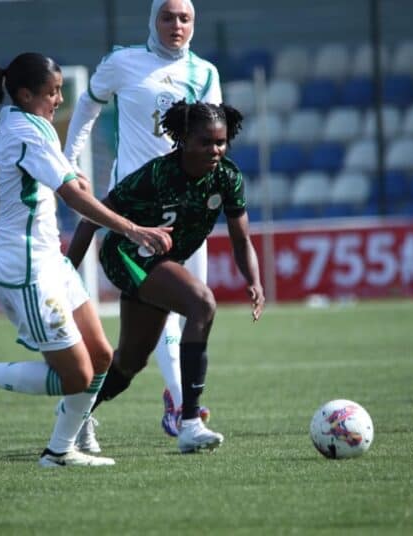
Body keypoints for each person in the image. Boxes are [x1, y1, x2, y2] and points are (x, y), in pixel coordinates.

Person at [0, 52, 173, 468]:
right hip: (26, 268)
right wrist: (131, 228)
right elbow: (69, 195)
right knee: (77, 376)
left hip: (51, 261)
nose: (60, 99)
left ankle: (60, 450)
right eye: (52, 92)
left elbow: (45, 172)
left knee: (102, 357)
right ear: (26, 95)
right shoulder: (27, 131)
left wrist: (68, 170)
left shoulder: (24, 123)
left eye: (61, 89)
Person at [63, 0, 223, 449]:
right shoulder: (123, 63)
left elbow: (213, 138)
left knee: (183, 317)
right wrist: (70, 161)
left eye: (185, 18)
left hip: (188, 214)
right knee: (183, 306)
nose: (177, 25)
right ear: (152, 20)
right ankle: (182, 408)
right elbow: (87, 107)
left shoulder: (206, 73)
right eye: (168, 16)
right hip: (135, 213)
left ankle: (87, 411)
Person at [66, 100, 265, 454]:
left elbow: (242, 239)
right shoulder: (155, 175)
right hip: (125, 256)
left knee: (130, 362)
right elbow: (89, 220)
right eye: (205, 142)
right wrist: (66, 277)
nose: (215, 150)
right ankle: (190, 422)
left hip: (163, 263)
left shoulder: (228, 178)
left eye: (220, 142)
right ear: (184, 139)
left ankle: (74, 414)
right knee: (201, 303)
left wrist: (254, 279)